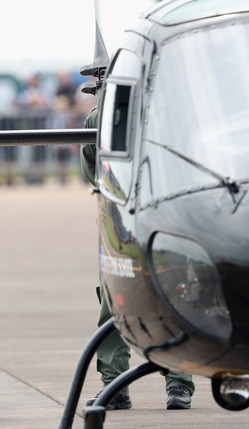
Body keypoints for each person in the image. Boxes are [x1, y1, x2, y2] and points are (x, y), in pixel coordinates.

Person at [80, 107, 195, 410]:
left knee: (123, 302)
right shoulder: (172, 105)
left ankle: (126, 386)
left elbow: (92, 169)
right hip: (149, 217)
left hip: (133, 217)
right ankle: (172, 384)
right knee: (138, 301)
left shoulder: (103, 113)